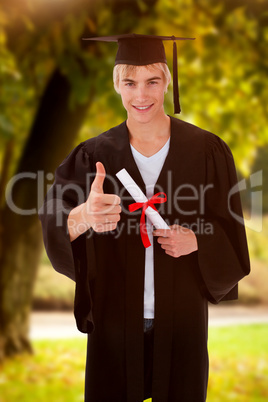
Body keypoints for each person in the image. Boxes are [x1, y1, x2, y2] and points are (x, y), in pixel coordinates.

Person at [39, 34, 250, 402]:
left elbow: (232, 231)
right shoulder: (92, 155)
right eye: (130, 82)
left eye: (153, 81)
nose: (141, 95)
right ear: (116, 85)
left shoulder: (206, 150)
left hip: (182, 323)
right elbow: (55, 219)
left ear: (168, 81)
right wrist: (85, 215)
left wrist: (197, 241)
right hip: (114, 324)